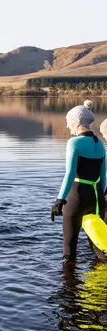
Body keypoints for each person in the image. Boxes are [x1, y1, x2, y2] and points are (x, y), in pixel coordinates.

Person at [51, 100, 107, 262]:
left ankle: (69, 285)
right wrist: (101, 200)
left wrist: (59, 200)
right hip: (97, 199)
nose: (68, 126)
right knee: (100, 248)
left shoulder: (74, 142)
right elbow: (103, 177)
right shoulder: (100, 144)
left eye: (69, 122)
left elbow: (69, 174)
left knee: (69, 248)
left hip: (77, 198)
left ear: (77, 123)